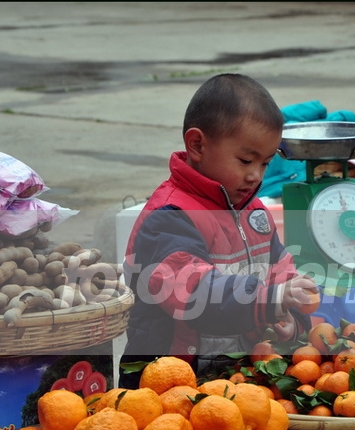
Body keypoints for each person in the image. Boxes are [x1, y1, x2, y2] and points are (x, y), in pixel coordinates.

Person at [119, 73, 318, 387]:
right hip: (169, 387)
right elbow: (194, 292)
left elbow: (282, 274)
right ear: (197, 145)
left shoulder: (254, 212)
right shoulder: (169, 217)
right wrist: (270, 299)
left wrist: (291, 319)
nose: (256, 176)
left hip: (236, 384)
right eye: (245, 160)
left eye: (265, 163)